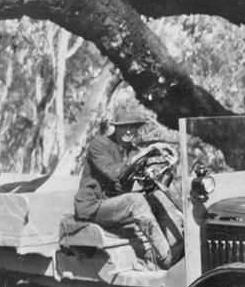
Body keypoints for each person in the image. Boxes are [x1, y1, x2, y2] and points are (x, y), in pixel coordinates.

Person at [73, 109, 173, 269]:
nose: (128, 131)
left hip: (114, 208)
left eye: (132, 127)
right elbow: (114, 173)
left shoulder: (132, 151)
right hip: (92, 208)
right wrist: (140, 156)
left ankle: (176, 247)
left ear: (137, 129)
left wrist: (161, 166)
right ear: (115, 128)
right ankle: (166, 257)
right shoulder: (99, 145)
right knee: (136, 201)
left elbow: (144, 180)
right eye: (123, 127)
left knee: (159, 198)